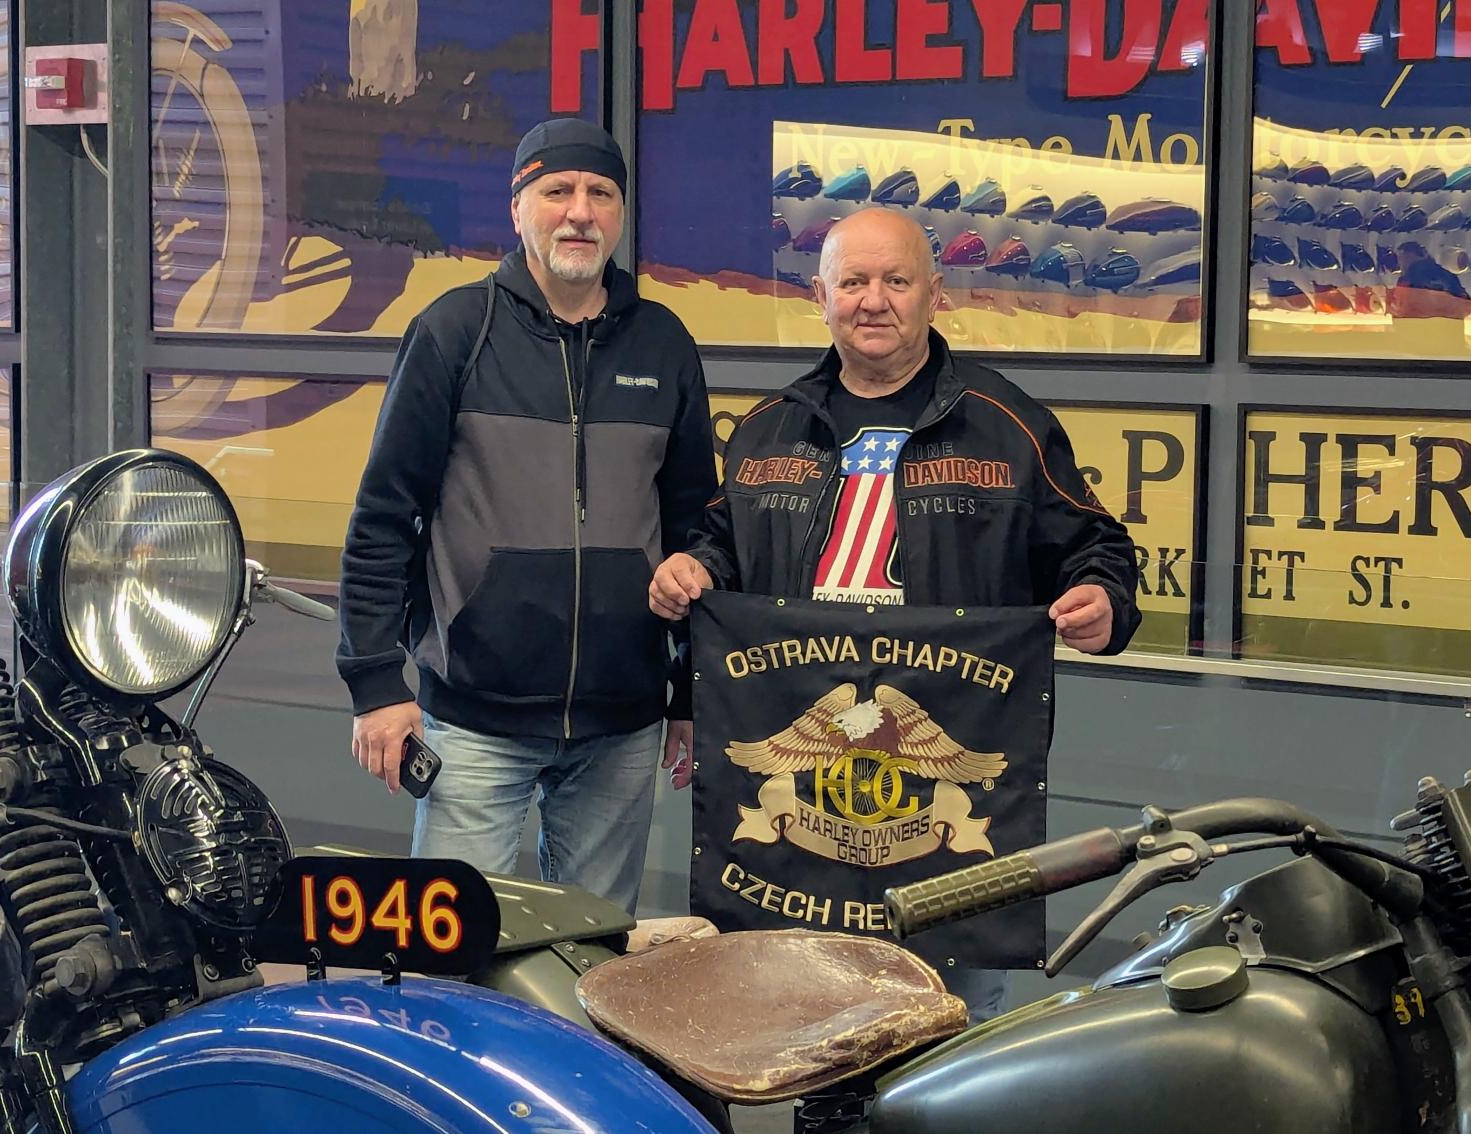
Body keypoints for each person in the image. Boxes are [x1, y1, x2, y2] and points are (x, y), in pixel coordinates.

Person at [648, 206, 1142, 1022]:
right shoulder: (768, 429)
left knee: (949, 1027)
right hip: (800, 799)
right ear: (820, 297)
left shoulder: (1009, 424)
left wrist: (1105, 601)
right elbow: (721, 545)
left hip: (946, 783)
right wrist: (691, 570)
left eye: (895, 281)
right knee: (797, 1025)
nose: (873, 300)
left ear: (935, 294)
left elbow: (1097, 545)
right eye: (852, 282)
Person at [337, 118, 716, 915]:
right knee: (451, 955)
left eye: (600, 193)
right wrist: (375, 685)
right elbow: (383, 519)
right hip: (474, 721)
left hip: (622, 724)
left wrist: (688, 694)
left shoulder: (664, 345)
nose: (579, 211)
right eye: (557, 191)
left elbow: (696, 534)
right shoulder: (454, 332)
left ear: (620, 214)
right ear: (517, 210)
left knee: (592, 953)